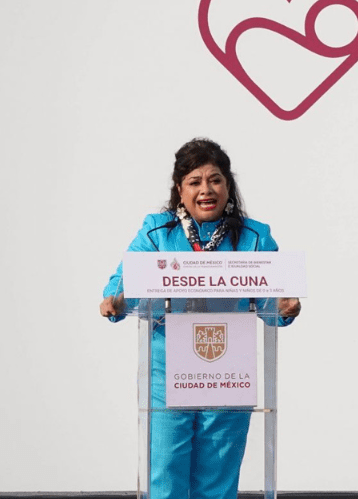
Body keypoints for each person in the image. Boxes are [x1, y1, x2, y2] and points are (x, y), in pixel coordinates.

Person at [98, 138, 301, 499]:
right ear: (180, 190)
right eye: (195, 182)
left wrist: (285, 307)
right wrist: (117, 300)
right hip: (166, 375)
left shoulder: (256, 237)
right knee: (165, 478)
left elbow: (274, 303)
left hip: (229, 375)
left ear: (228, 186)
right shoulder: (156, 232)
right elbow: (122, 286)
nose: (206, 190)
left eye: (215, 180)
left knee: (217, 485)